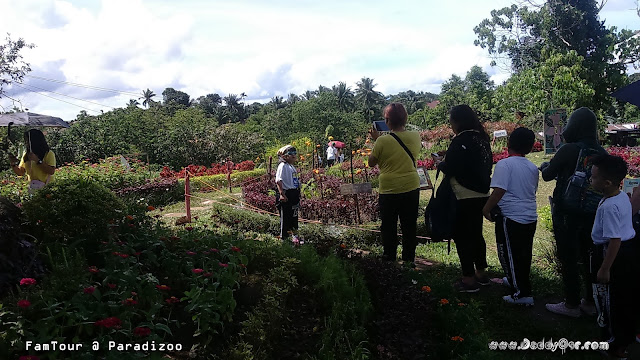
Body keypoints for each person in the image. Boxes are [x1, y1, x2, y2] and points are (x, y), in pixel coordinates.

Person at [540, 107, 606, 317]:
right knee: (591, 258)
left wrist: (544, 166)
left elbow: (548, 175)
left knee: (568, 257)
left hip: (567, 213)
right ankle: (590, 301)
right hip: (593, 214)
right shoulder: (601, 152)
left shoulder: (569, 149)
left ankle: (570, 304)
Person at [434, 105, 492, 293]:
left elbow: (452, 168)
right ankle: (481, 273)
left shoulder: (461, 140)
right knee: (476, 234)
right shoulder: (482, 139)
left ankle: (468, 279)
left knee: (462, 237)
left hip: (462, 195)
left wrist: (440, 163)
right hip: (481, 194)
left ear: (457, 121)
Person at [588, 154, 637, 358]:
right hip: (626, 252)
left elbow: (614, 239)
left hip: (612, 254)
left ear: (607, 183)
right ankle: (622, 339)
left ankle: (613, 345)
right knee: (623, 298)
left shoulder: (610, 206)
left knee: (610, 301)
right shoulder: (619, 196)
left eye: (593, 177)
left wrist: (604, 268)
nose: (590, 180)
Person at [482, 127, 538, 305]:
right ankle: (514, 279)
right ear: (530, 147)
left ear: (508, 144)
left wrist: (486, 209)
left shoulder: (504, 164)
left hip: (511, 217)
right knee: (524, 254)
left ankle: (522, 294)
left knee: (509, 254)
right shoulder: (532, 167)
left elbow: (499, 191)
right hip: (530, 216)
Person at [368, 103, 421, 265]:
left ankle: (389, 257)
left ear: (387, 120)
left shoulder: (382, 141)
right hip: (411, 186)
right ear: (405, 119)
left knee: (389, 225)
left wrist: (377, 141)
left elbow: (371, 162)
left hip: (389, 189)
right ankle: (409, 260)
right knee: (409, 225)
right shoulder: (415, 136)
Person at [275, 145, 300, 240]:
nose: (294, 155)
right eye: (291, 154)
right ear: (285, 156)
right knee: (286, 217)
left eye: (295, 153)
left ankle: (295, 236)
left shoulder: (291, 166)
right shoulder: (282, 166)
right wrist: (282, 194)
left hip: (293, 193)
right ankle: (284, 237)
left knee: (294, 215)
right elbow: (278, 180)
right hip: (286, 193)